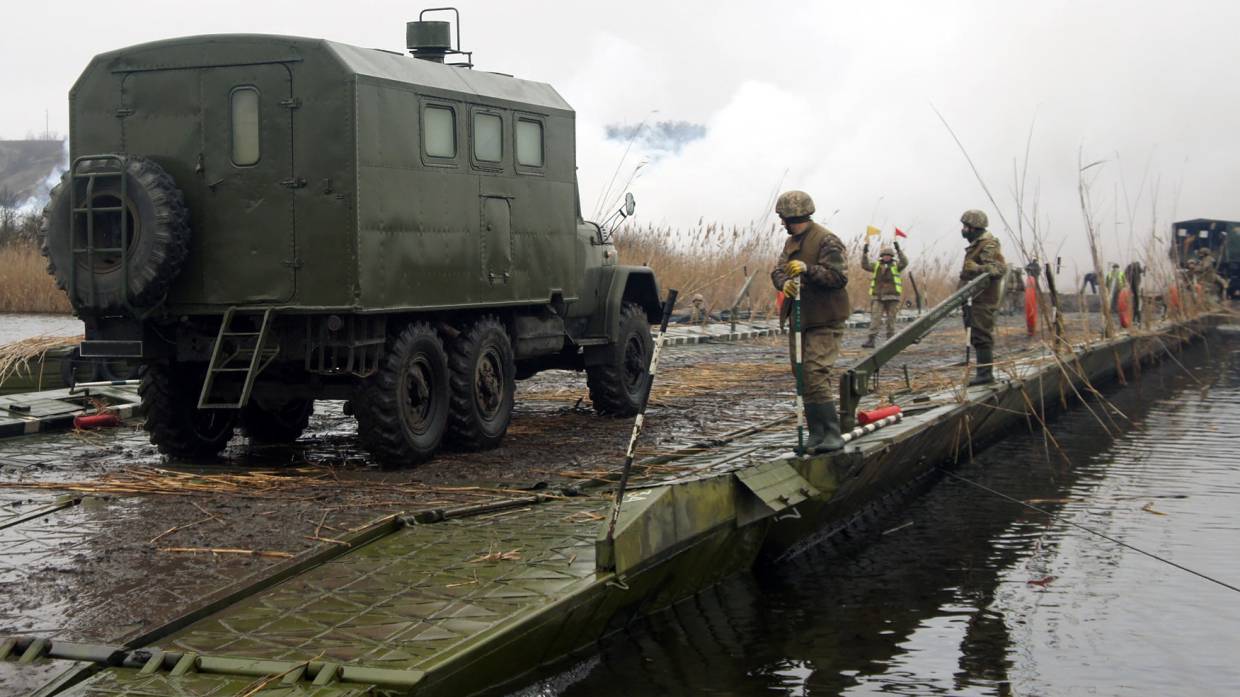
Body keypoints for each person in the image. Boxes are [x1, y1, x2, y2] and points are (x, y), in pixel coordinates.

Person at [770, 190, 849, 453]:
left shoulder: (827, 240)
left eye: (784, 218)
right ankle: (816, 435)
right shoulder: (792, 242)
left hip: (825, 319)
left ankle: (832, 434)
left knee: (815, 373)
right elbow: (777, 271)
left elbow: (838, 278)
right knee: (802, 376)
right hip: (800, 318)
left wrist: (808, 270)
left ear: (795, 216)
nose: (782, 223)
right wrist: (786, 284)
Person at [958, 209, 1006, 385]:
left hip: (982, 298)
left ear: (974, 227)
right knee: (975, 335)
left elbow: (999, 269)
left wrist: (976, 268)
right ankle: (982, 373)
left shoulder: (989, 244)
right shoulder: (976, 245)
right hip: (972, 298)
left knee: (981, 335)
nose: (963, 230)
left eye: (966, 226)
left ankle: (985, 375)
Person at [860, 241, 909, 348]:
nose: (886, 257)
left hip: (893, 297)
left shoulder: (896, 265)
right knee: (875, 318)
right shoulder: (876, 265)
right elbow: (864, 265)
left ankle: (890, 340)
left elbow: (905, 262)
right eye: (885, 255)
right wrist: (864, 253)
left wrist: (898, 250)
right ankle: (871, 340)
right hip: (878, 297)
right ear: (882, 256)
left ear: (891, 256)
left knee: (891, 319)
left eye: (889, 255)